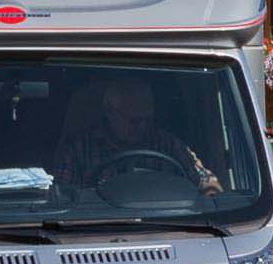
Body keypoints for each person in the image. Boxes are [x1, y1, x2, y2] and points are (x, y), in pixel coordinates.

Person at [55, 76, 222, 196]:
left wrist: (210, 195)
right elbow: (64, 198)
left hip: (164, 222)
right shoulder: (79, 150)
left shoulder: (169, 145)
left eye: (148, 119)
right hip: (98, 226)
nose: (143, 126)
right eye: (134, 121)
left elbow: (207, 182)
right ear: (109, 111)